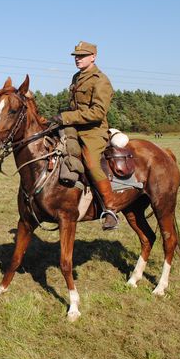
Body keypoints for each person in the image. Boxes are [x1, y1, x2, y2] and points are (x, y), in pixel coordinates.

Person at [51, 41, 117, 230]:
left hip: (93, 131)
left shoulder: (101, 80)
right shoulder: (76, 77)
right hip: (74, 127)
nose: (77, 59)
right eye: (76, 56)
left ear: (93, 57)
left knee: (91, 163)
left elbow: (97, 113)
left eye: (82, 55)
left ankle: (110, 208)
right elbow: (75, 107)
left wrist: (66, 117)